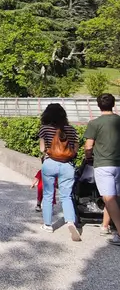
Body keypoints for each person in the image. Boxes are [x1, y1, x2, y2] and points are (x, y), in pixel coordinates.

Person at [38, 103, 80, 241]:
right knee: (66, 196)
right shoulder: (71, 129)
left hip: (50, 163)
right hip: (67, 165)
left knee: (48, 194)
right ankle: (70, 222)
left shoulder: (44, 129)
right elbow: (75, 149)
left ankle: (48, 225)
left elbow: (42, 149)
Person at [84, 93, 120, 247]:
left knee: (109, 198)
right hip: (118, 164)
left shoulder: (95, 123)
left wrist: (88, 157)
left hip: (103, 165)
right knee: (113, 198)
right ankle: (105, 226)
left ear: (98, 105)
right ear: (113, 104)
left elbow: (88, 146)